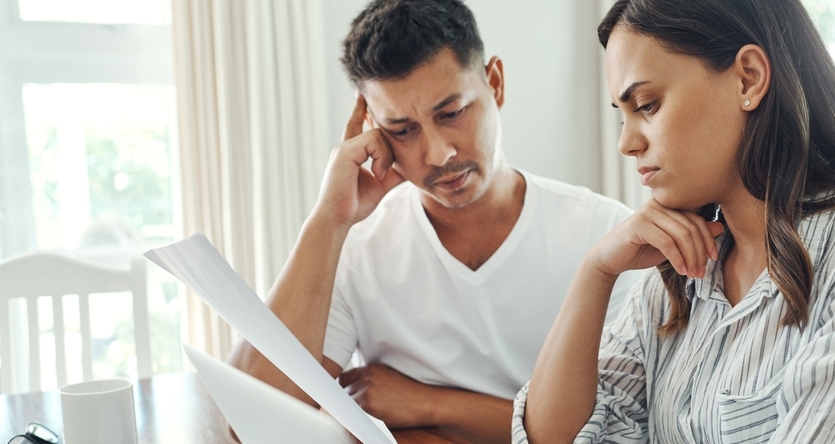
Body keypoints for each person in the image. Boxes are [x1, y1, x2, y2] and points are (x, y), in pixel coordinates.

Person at [515, 0, 835, 442]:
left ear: (748, 79)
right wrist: (595, 274)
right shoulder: (680, 271)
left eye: (648, 105)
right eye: (622, 116)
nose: (627, 143)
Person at [227, 0, 638, 443]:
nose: (438, 153)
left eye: (452, 113)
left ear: (494, 83)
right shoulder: (355, 247)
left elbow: (615, 432)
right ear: (372, 126)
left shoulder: (601, 235)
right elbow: (250, 421)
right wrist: (330, 219)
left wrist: (428, 405)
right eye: (403, 130)